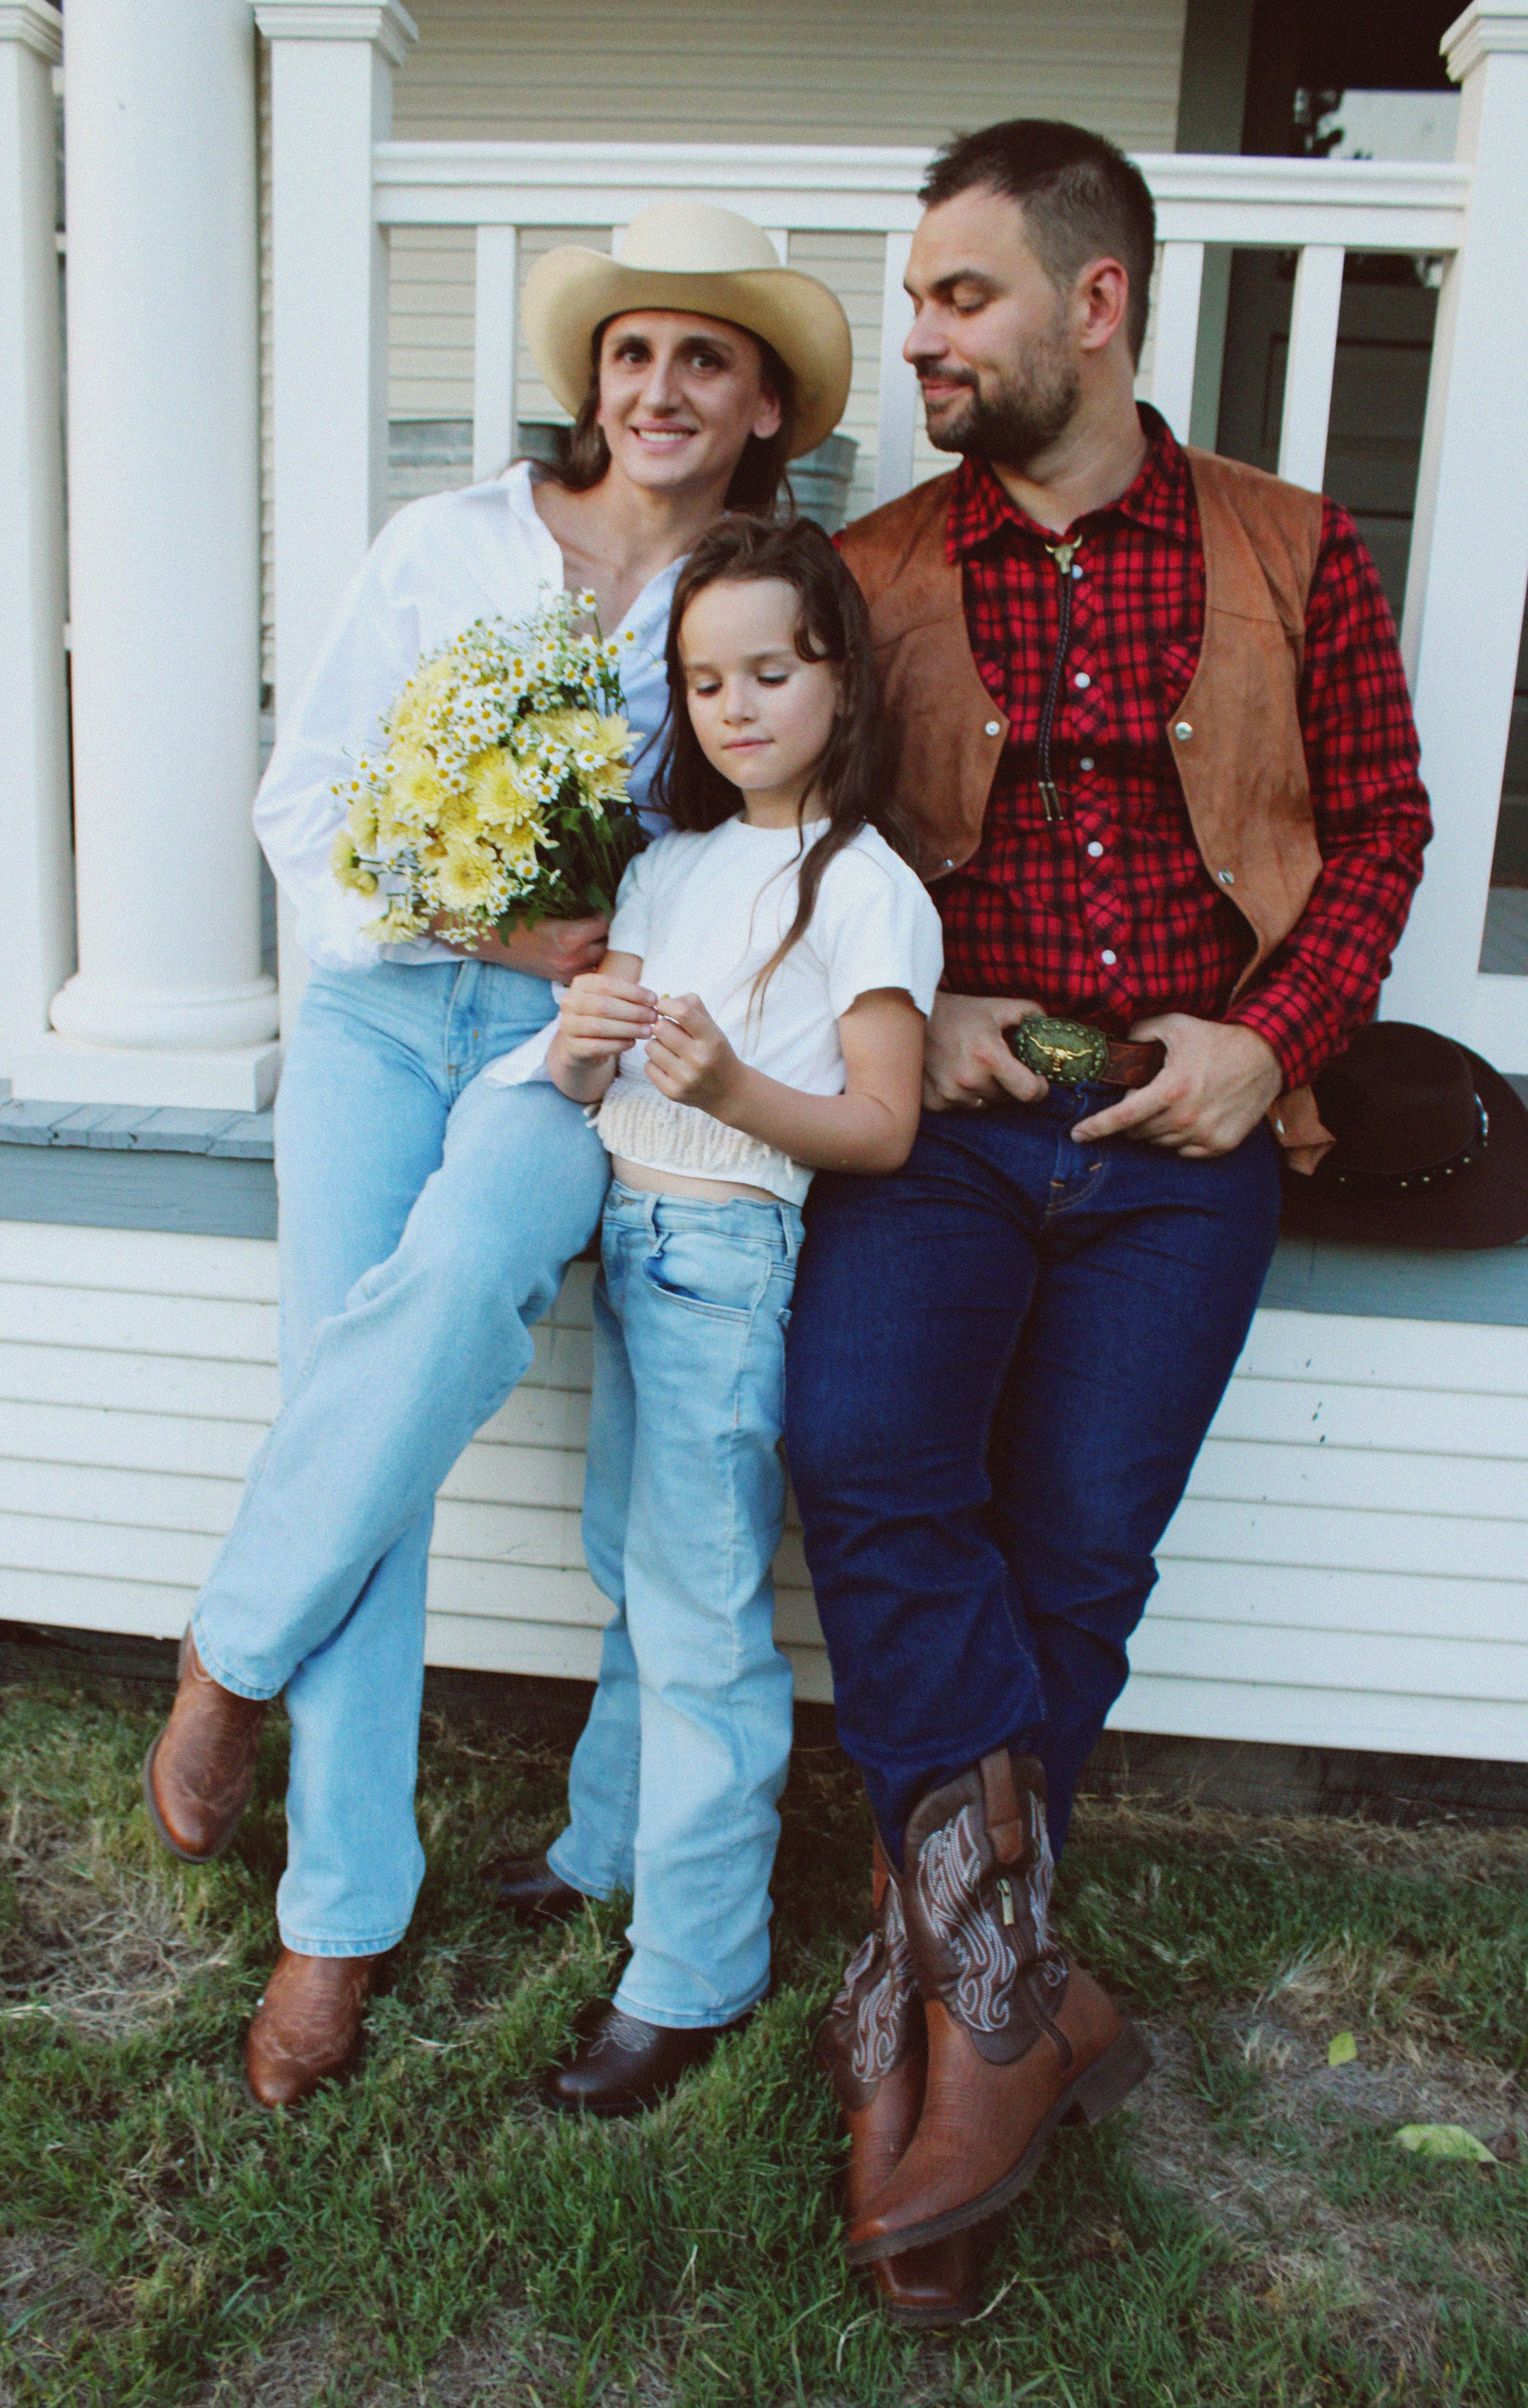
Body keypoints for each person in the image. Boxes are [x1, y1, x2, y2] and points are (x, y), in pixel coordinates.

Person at [789, 118, 1432, 2305]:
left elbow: (1385, 825)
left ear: (1098, 301)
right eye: (918, 301)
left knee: (1076, 1549)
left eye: (962, 297)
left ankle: (947, 2008)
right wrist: (926, 1000)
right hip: (955, 1117)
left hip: (1192, 1126)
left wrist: (1279, 1039)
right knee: (870, 1452)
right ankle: (1010, 1998)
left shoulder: (1291, 549)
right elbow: (795, 852)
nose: (922, 337)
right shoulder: (869, 574)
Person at [139, 204, 852, 2110]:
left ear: (766, 398)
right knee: (360, 1407)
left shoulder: (765, 598)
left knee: (459, 1283)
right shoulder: (447, 546)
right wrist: (471, 913)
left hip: (576, 1052)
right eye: (633, 353)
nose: (662, 386)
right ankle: (335, 1919)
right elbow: (305, 805)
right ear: (590, 384)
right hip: (389, 1013)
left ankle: (232, 1639)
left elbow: (788, 824)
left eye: (707, 356)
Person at [486, 516, 943, 2124]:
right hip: (628, 1239)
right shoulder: (672, 861)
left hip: (729, 1263)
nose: (737, 705)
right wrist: (587, 1034)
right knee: (633, 1570)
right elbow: (607, 1062)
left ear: (840, 678)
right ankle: (603, 1848)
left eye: (771, 670)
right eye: (705, 680)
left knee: (700, 1629)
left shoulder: (865, 888)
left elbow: (881, 1124)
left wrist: (739, 1086)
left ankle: (692, 1963)